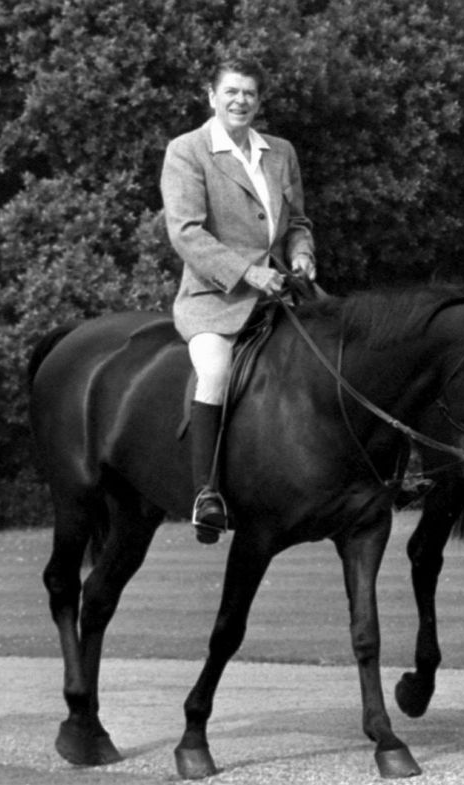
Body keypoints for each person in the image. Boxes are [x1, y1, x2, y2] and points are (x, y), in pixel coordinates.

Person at [160, 56, 316, 543]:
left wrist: (303, 255)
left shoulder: (280, 152)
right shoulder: (187, 151)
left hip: (283, 293)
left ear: (258, 100)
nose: (240, 100)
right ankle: (207, 494)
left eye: (249, 92)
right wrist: (248, 273)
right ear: (212, 96)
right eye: (231, 91)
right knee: (215, 371)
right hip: (215, 297)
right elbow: (186, 233)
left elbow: (296, 223)